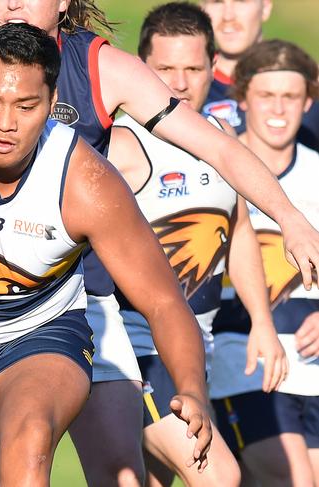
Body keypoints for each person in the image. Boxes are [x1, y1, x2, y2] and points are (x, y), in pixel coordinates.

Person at [0, 1, 319, 484]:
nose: (13, 3)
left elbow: (218, 148)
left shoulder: (103, 67)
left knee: (120, 476)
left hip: (84, 306)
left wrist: (289, 216)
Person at [0, 23, 212, 487]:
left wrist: (192, 388)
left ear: (53, 106)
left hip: (38, 334)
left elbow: (163, 301)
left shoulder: (85, 180)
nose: (4, 123)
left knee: (29, 434)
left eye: (25, 106)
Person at [104, 4, 287, 486]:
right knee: (220, 476)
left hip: (195, 357)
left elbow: (240, 232)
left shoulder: (222, 139)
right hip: (138, 354)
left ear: (214, 69)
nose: (180, 84)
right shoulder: (120, 145)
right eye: (165, 69)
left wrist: (262, 323)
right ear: (141, 71)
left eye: (193, 68)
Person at [210, 39, 319, 486]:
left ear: (308, 102)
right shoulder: (214, 169)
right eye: (266, 95)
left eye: (290, 97)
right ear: (241, 97)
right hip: (241, 359)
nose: (279, 109)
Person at [200, 0, 319, 151]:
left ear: (266, 8)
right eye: (217, 2)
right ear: (202, 10)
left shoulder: (309, 85)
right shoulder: (183, 88)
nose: (228, 16)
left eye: (241, 1)